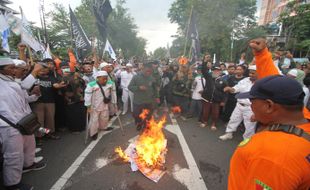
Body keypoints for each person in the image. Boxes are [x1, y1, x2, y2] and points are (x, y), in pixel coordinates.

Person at [228, 75, 310, 190]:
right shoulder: (303, 122)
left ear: (269, 106)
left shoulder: (270, 157)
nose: (251, 106)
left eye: (252, 101)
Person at [0, 57, 46, 190]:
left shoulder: (11, 81)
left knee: (30, 145)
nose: (15, 70)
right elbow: (25, 85)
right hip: (8, 125)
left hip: (25, 122)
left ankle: (28, 165)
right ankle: (12, 184)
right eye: (11, 67)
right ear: (1, 70)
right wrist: (35, 71)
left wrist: (35, 95)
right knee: (13, 155)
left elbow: (25, 98)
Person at [219, 65, 258, 140]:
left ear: (258, 73)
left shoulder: (261, 83)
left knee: (250, 125)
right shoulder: (245, 80)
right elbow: (236, 88)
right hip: (239, 105)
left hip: (251, 108)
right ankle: (229, 134)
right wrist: (230, 88)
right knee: (233, 119)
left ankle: (247, 140)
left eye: (253, 73)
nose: (250, 75)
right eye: (250, 73)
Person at [128, 62, 160, 130]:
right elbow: (130, 87)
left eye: (150, 71)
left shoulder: (152, 78)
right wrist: (139, 87)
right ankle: (139, 123)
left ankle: (147, 125)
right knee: (136, 115)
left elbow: (155, 89)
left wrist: (157, 97)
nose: (148, 72)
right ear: (143, 69)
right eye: (147, 71)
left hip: (149, 101)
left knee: (148, 115)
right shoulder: (136, 77)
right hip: (138, 101)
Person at [84, 71, 115, 140]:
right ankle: (93, 133)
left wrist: (114, 102)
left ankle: (103, 127)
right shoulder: (91, 85)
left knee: (104, 117)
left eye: (106, 78)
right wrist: (88, 106)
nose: (105, 80)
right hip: (94, 106)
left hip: (104, 104)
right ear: (98, 78)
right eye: (103, 79)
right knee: (94, 120)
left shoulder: (110, 83)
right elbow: (87, 96)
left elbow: (113, 93)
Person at [201, 65, 227, 130]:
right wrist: (205, 62)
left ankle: (213, 124)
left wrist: (223, 101)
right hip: (207, 99)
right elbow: (204, 70)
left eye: (218, 71)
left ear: (220, 72)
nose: (216, 72)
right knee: (205, 112)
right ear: (212, 71)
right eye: (214, 70)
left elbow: (225, 93)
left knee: (215, 113)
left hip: (216, 101)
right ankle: (205, 122)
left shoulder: (223, 81)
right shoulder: (208, 78)